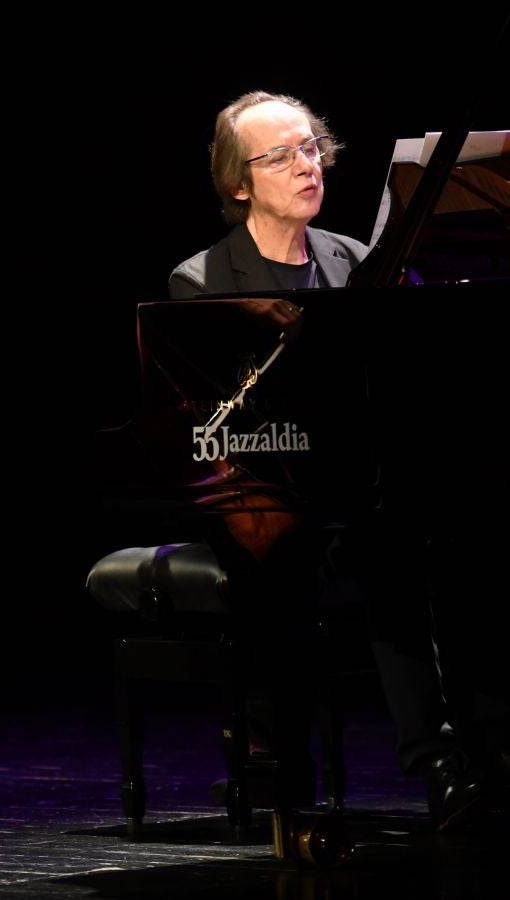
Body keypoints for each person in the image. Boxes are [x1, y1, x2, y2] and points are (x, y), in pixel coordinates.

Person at [168, 90, 506, 832]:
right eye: (280, 155)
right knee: (386, 553)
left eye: (311, 148)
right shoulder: (202, 281)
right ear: (239, 183)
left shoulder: (359, 264)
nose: (305, 165)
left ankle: (484, 757)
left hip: (355, 491)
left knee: (459, 544)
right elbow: (220, 431)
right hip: (264, 504)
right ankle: (434, 760)